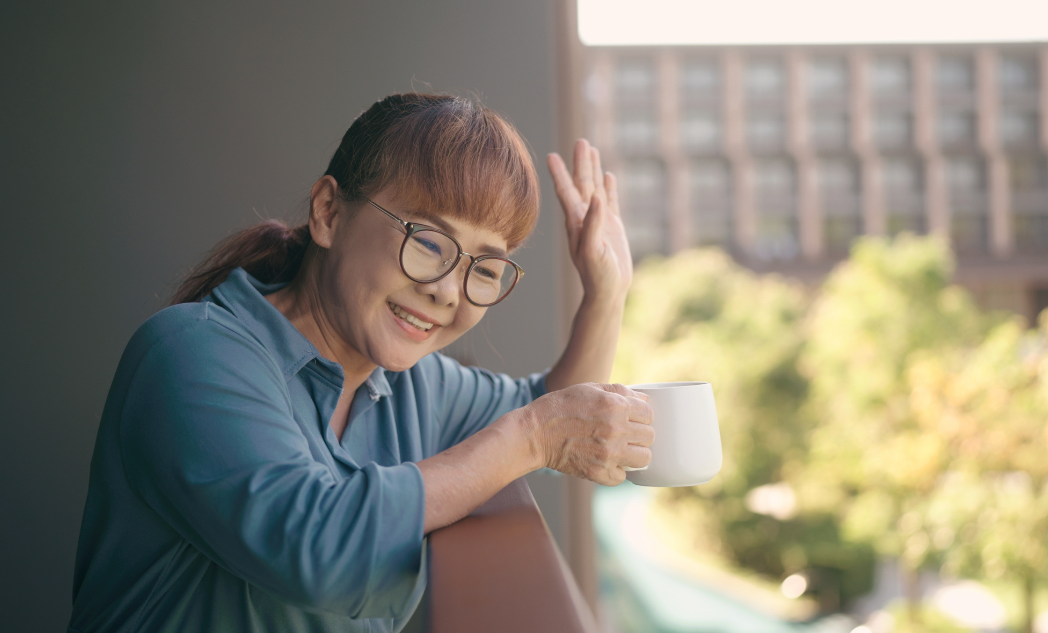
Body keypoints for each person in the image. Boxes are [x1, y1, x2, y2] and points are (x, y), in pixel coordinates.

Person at [68, 92, 653, 633]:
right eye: (428, 242)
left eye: (485, 268)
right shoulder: (191, 353)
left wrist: (606, 294)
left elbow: (559, 413)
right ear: (328, 212)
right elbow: (316, 549)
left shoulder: (410, 384)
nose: (450, 292)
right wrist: (529, 438)